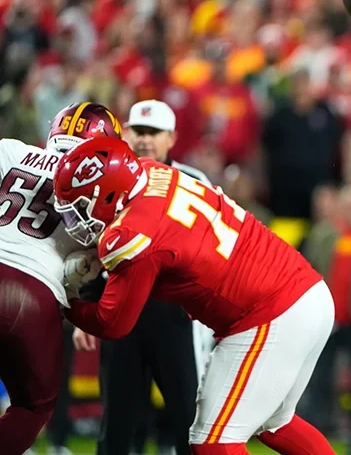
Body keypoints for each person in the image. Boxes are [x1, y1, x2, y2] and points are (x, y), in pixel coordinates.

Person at [53, 137, 336, 455]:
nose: (75, 219)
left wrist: (65, 304)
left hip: (270, 313)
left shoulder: (131, 234)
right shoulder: (150, 171)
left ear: (108, 194)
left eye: (80, 206)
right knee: (274, 423)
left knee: (212, 440)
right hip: (308, 292)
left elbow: (112, 323)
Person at [72, 99, 213, 455]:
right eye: (139, 130)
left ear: (171, 138)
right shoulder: (108, 176)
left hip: (177, 314)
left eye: (154, 132)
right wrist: (87, 308)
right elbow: (92, 244)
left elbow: (215, 246)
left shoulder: (196, 182)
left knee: (189, 417)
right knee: (117, 422)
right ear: (126, 133)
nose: (145, 139)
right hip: (122, 309)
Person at [0, 102, 122, 453]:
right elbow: (107, 255)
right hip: (37, 292)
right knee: (32, 407)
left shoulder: (11, 150)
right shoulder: (104, 184)